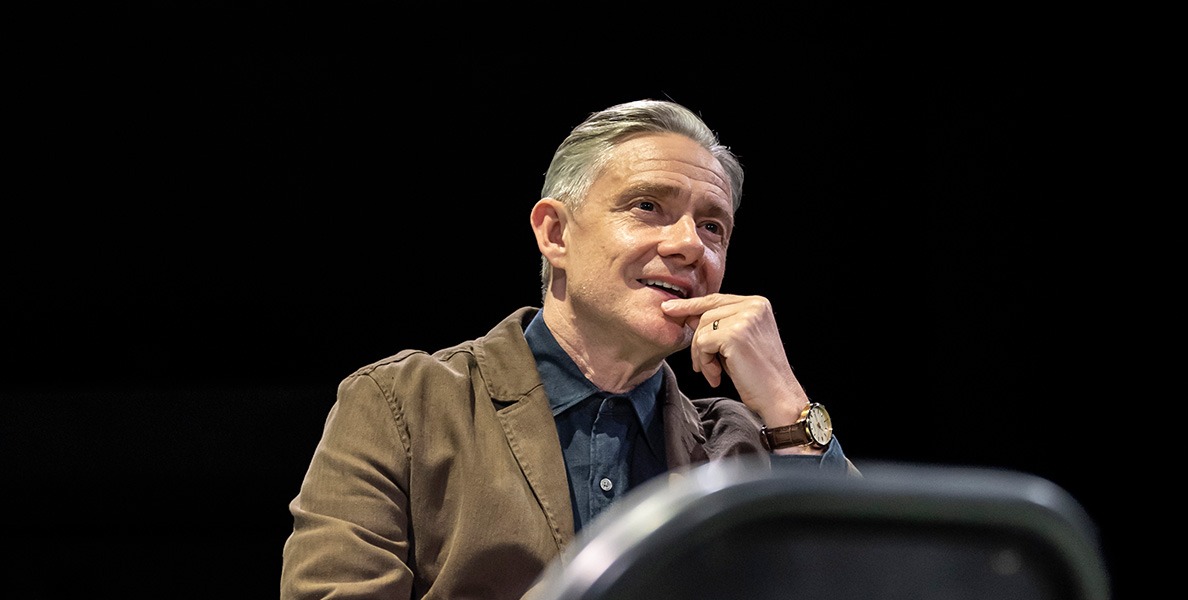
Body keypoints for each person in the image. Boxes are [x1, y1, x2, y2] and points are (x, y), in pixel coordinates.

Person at [280, 98, 860, 599]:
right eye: (647, 206)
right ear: (555, 233)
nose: (690, 245)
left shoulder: (741, 447)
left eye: (713, 227)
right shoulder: (404, 404)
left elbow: (883, 579)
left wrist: (787, 407)